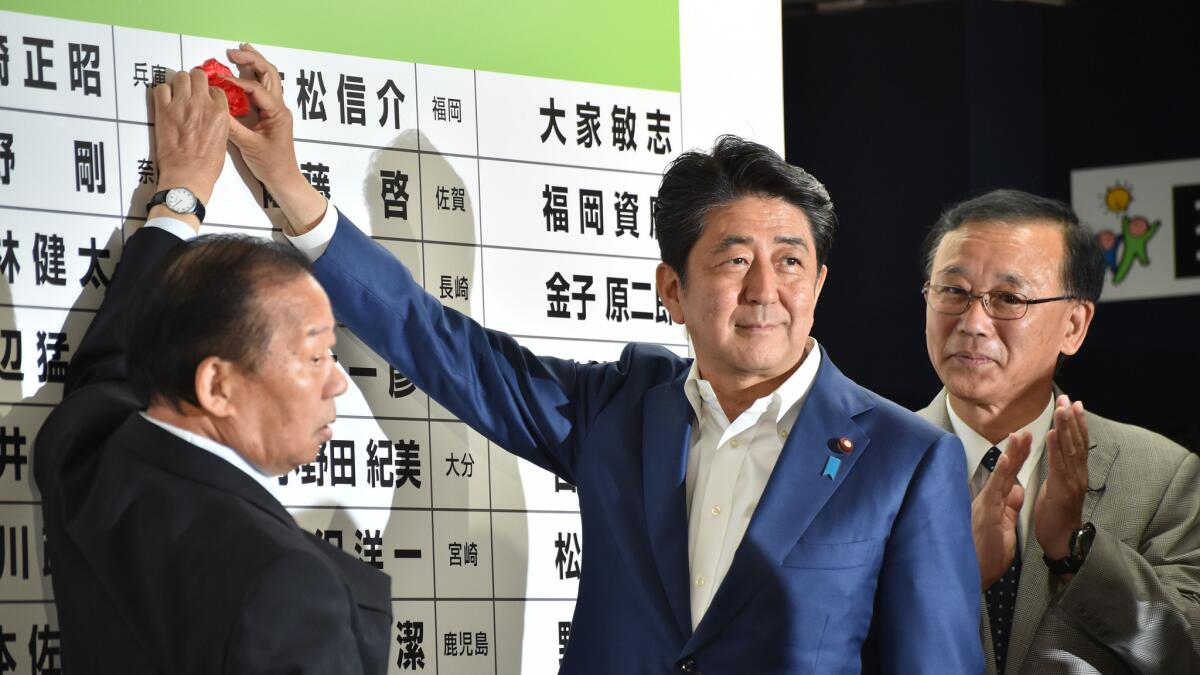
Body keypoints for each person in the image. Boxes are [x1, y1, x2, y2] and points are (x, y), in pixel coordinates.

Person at [222, 44, 983, 674]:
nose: (764, 290)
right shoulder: (621, 408)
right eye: (733, 260)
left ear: (818, 283)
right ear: (672, 291)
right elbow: (442, 345)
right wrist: (290, 186)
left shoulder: (905, 459)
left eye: (790, 263)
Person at [34, 67, 391, 673]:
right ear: (217, 385)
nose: (338, 381)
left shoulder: (85, 453)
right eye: (314, 355)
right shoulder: (283, 589)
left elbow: (106, 380)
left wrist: (178, 199)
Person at [917, 188, 1200, 674]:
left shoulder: (1163, 477)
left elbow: (1186, 651)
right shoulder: (868, 464)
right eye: (954, 292)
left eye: (1008, 298)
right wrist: (958, 576)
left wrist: (1076, 549)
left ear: (1074, 324)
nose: (973, 323)